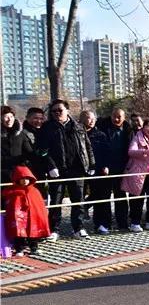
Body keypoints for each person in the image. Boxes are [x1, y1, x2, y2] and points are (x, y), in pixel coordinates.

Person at [41, 100, 95, 239]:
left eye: (60, 110)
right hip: (57, 171)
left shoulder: (78, 126)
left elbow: (87, 147)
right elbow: (42, 150)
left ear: (67, 111)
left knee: (78, 200)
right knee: (56, 201)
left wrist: (91, 164)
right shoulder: (47, 127)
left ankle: (78, 228)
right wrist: (51, 166)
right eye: (54, 111)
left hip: (76, 169)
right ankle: (54, 229)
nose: (57, 113)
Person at [97, 108, 133, 230]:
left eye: (119, 117)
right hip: (106, 168)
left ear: (124, 118)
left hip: (122, 168)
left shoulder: (128, 130)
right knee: (104, 196)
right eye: (114, 116)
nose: (116, 119)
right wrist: (103, 165)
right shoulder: (102, 127)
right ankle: (105, 223)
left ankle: (122, 223)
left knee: (121, 197)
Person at [2, 165, 50, 256]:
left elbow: (39, 206)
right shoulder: (13, 192)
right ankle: (19, 249)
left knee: (33, 234)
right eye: (22, 178)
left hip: (32, 218)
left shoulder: (34, 191)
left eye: (27, 178)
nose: (25, 181)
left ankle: (34, 248)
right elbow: (11, 206)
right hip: (19, 218)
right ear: (17, 179)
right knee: (18, 234)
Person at [79, 110, 112, 234]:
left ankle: (102, 224)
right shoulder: (76, 134)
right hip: (80, 170)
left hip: (97, 170)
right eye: (88, 118)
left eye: (93, 118)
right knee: (78, 199)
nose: (91, 121)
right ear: (81, 119)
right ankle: (78, 226)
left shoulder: (100, 135)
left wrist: (106, 166)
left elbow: (107, 153)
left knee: (101, 197)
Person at [21, 107, 52, 199]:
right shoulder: (22, 133)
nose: (39, 121)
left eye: (41, 118)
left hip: (42, 170)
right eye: (35, 118)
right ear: (27, 118)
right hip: (29, 170)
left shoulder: (44, 131)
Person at [1, 106, 34, 185]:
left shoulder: (20, 134)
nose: (9, 119)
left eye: (11, 116)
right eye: (6, 117)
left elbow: (29, 152)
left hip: (18, 175)